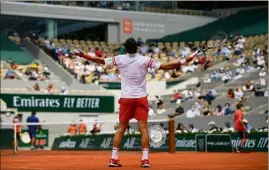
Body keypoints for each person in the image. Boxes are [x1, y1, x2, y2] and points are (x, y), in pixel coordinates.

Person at [73, 37, 199, 168]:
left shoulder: (120, 59)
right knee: (143, 129)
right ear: (137, 48)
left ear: (125, 49)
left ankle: (113, 159)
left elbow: (99, 60)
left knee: (121, 129)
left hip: (126, 99)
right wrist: (186, 60)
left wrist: (83, 55)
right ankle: (145, 160)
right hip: (140, 99)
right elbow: (167, 66)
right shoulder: (145, 60)